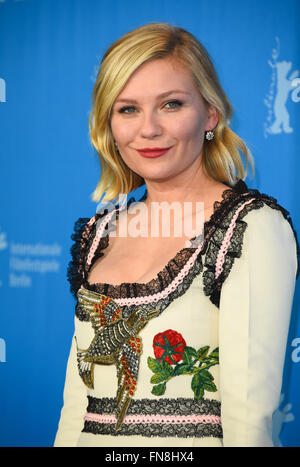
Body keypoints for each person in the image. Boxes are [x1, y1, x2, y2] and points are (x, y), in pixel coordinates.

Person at [54, 22, 299, 447]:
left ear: (210, 114)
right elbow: (78, 406)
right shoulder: (101, 231)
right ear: (108, 123)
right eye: (127, 109)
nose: (148, 129)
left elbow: (250, 421)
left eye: (170, 104)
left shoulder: (250, 227)